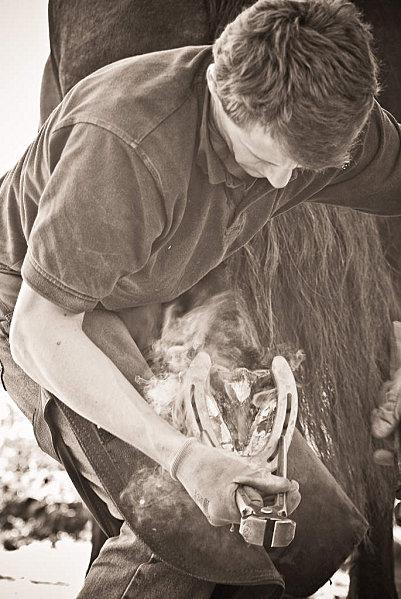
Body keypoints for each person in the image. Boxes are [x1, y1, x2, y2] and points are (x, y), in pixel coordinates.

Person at [1, 0, 401, 596]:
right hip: (50, 313)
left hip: (162, 300)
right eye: (264, 157)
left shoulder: (313, 122)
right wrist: (185, 459)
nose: (282, 182)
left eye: (304, 166)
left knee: (312, 532)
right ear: (217, 81)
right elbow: (41, 331)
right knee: (188, 522)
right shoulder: (124, 145)